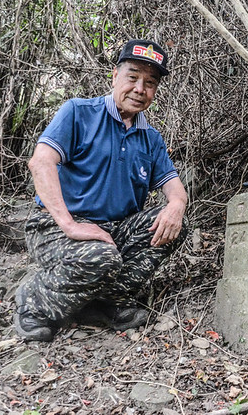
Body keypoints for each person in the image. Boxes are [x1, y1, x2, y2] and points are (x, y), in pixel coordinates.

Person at [14, 39, 188, 342]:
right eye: (132, 77)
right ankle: (34, 301)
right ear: (115, 77)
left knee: (173, 225)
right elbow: (41, 162)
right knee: (101, 257)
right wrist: (70, 224)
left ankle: (105, 302)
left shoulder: (151, 138)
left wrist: (176, 206)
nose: (139, 88)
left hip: (113, 229)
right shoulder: (79, 113)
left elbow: (175, 190)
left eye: (149, 83)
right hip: (55, 226)